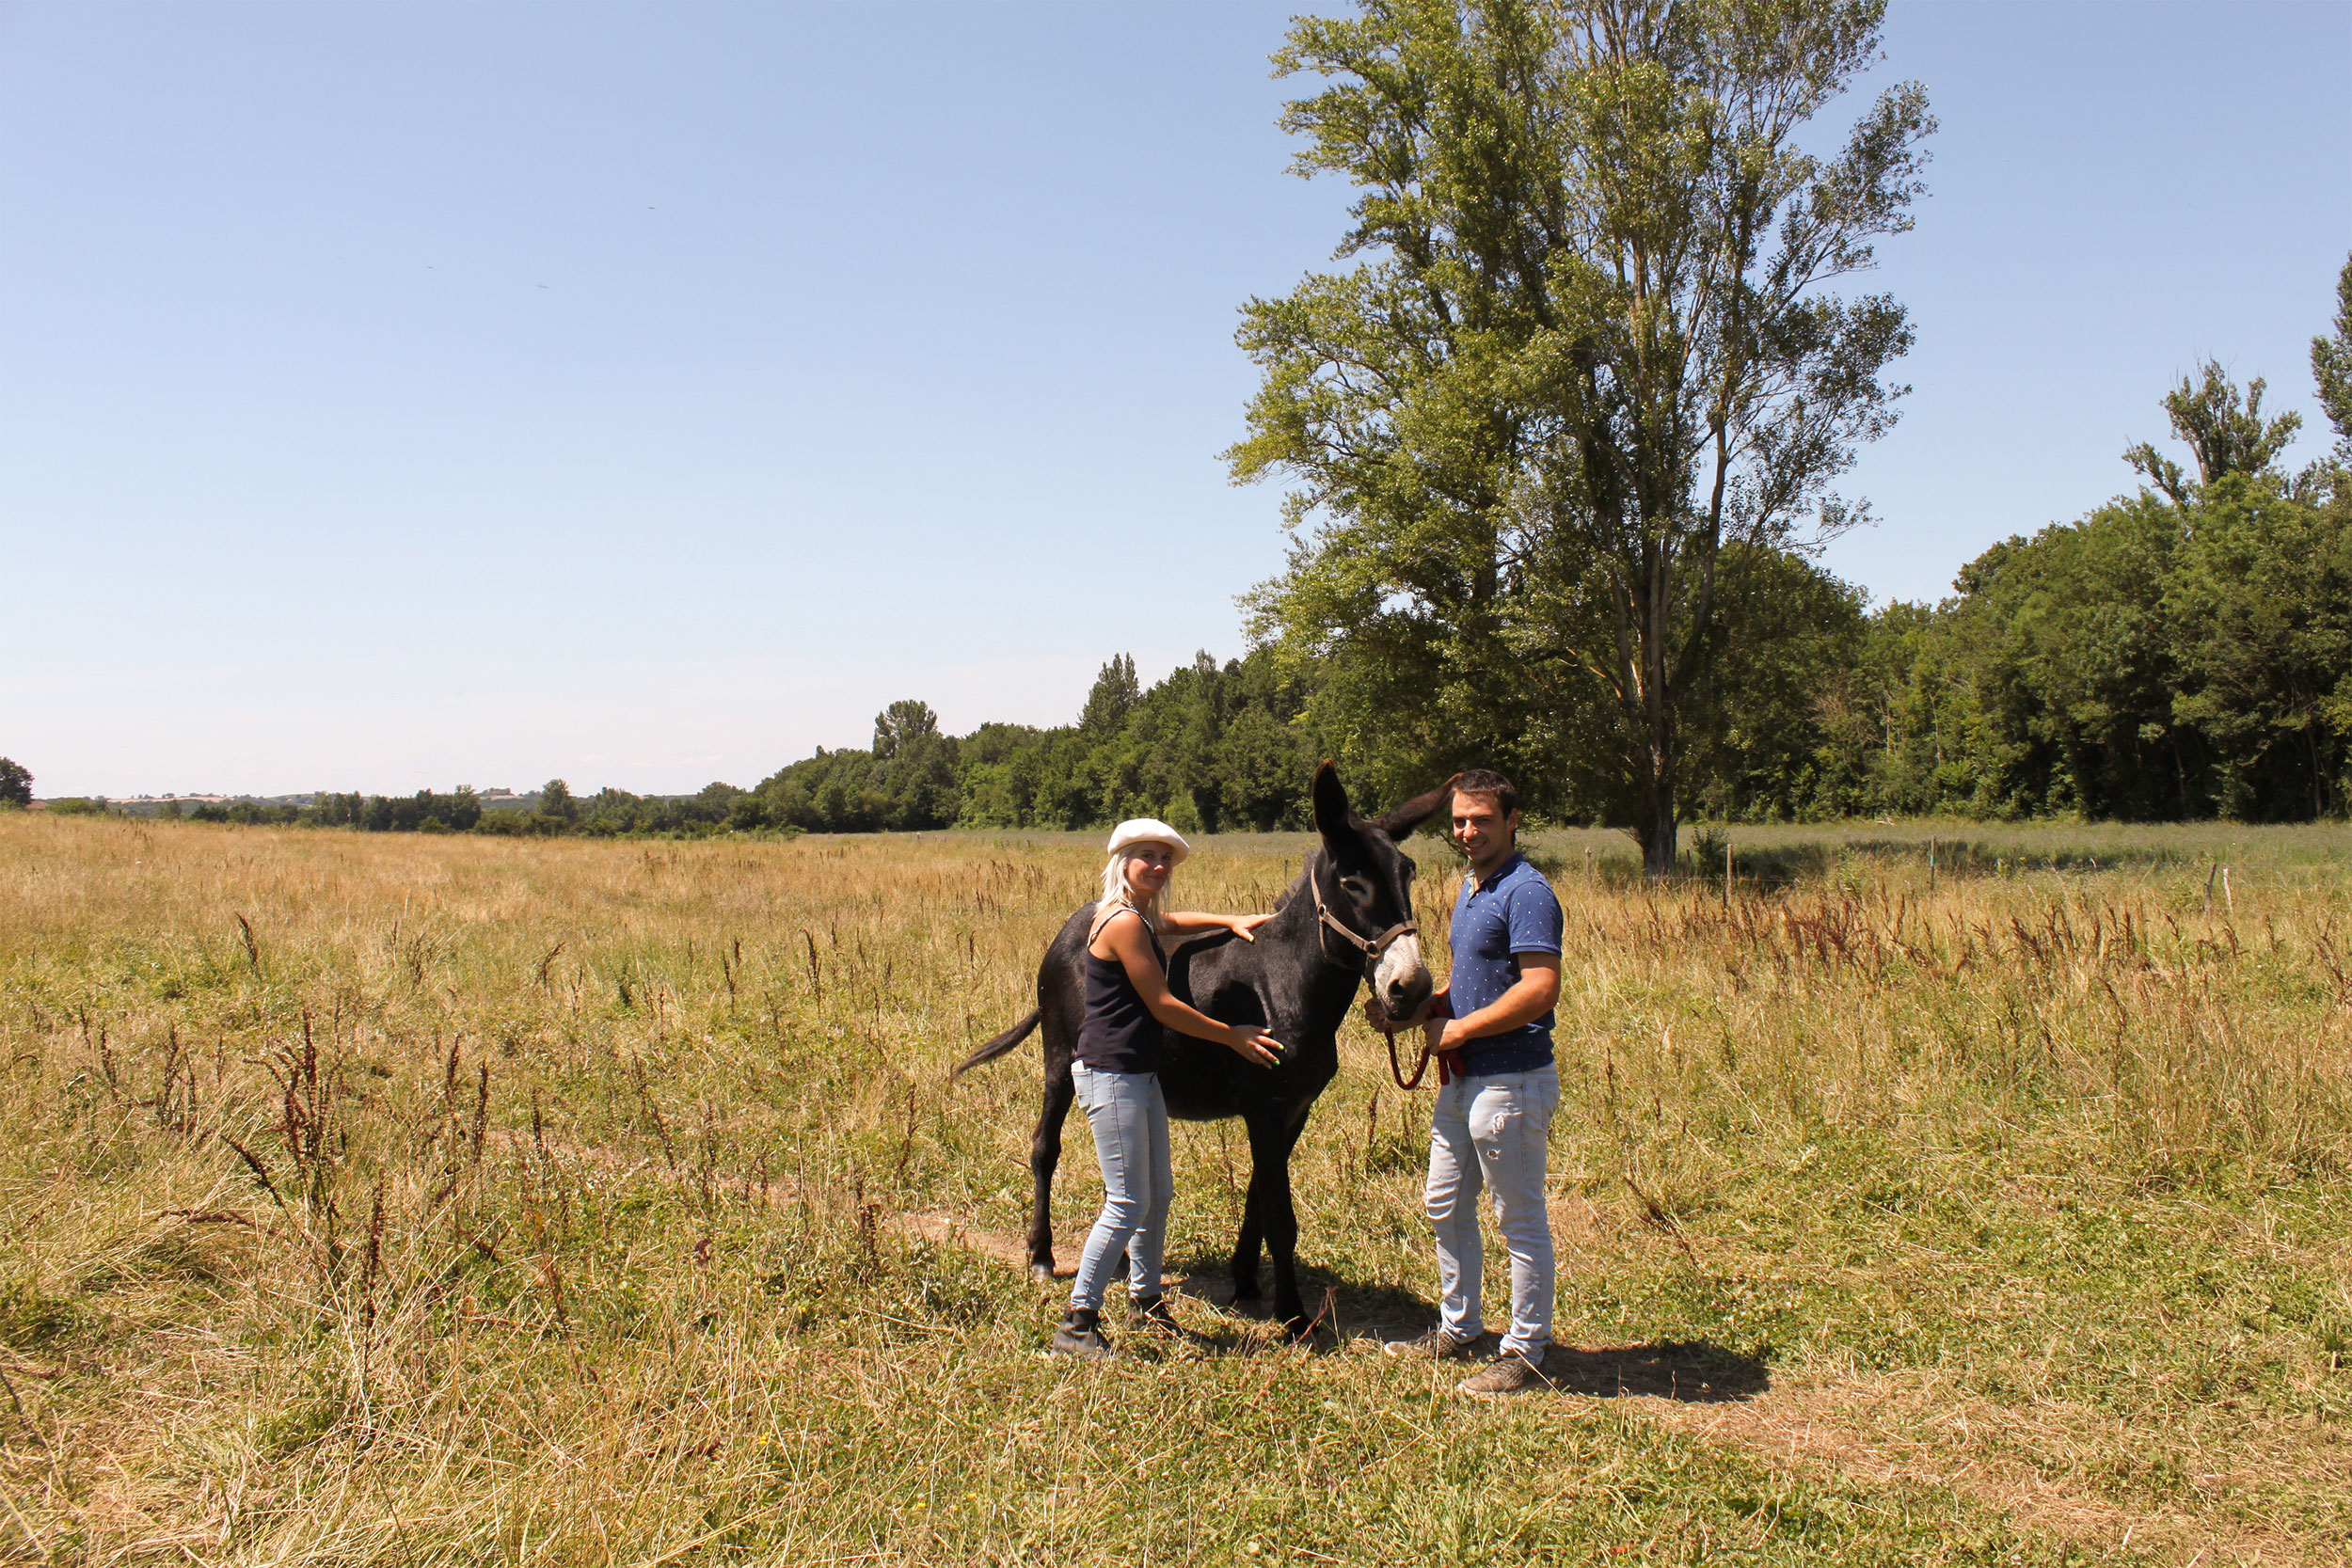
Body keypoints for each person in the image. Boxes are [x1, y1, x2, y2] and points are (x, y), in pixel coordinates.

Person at [1051, 818, 1285, 1359]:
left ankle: (1148, 1303)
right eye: (1147, 856)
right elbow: (1163, 1005)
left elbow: (1171, 920)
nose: (1157, 865)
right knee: (1127, 1201)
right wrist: (1232, 1036)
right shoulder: (1123, 924)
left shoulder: (1132, 915)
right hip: (1111, 1074)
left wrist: (1229, 918)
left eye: (1165, 858)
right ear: (1122, 860)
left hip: (1137, 1072)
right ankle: (1078, 1321)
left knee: (1157, 1193)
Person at [1377, 769, 1565, 1396]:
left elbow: (1540, 988)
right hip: (1464, 1082)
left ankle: (1526, 1350)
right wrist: (1420, 1012)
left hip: (1511, 1077)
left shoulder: (1527, 891)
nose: (1467, 830)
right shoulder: (1471, 885)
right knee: (1443, 1201)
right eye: (1459, 820)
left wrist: (1461, 1032)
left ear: (1512, 820)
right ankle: (1459, 1326)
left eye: (1481, 819)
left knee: (1519, 1218)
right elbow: (1472, 979)